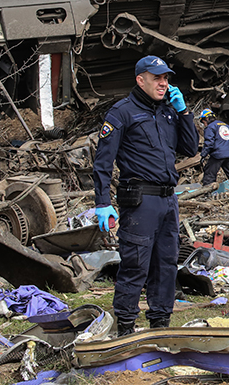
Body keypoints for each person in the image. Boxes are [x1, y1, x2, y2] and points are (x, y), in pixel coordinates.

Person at [92, 56, 198, 337]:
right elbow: (103, 163)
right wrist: (102, 203)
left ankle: (160, 327)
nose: (163, 84)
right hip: (140, 202)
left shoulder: (167, 112)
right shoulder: (122, 112)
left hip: (167, 200)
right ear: (141, 80)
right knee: (135, 265)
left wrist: (183, 112)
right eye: (157, 78)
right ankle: (125, 327)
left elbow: (190, 149)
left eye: (166, 79)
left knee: (166, 265)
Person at [199, 108, 229, 189]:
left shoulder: (210, 127)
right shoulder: (225, 125)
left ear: (207, 118)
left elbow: (209, 143)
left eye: (203, 121)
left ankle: (206, 193)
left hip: (218, 155)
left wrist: (203, 155)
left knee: (209, 174)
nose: (204, 124)